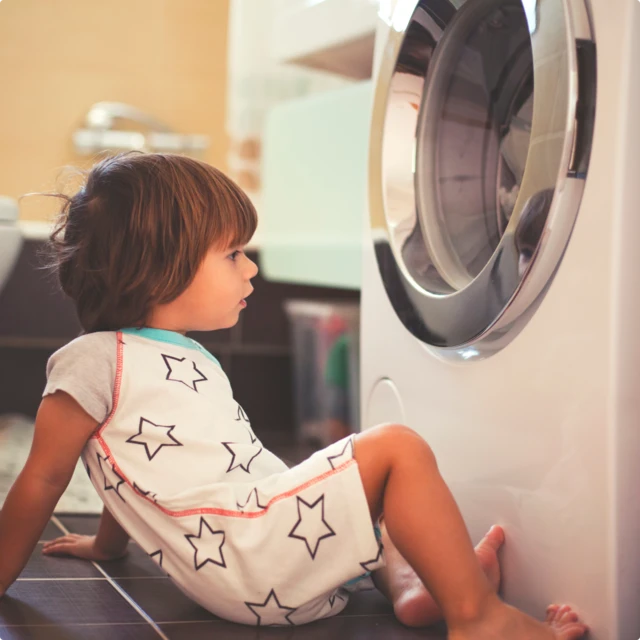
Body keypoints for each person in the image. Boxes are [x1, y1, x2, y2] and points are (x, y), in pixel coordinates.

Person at [0, 153, 587, 638]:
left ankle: (411, 589)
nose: (251, 269)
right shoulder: (94, 360)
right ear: (156, 271)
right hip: (247, 553)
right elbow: (44, 478)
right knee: (396, 451)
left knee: (376, 500)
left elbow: (134, 467)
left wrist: (107, 547)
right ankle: (478, 618)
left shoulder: (182, 355)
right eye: (232, 254)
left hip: (259, 547)